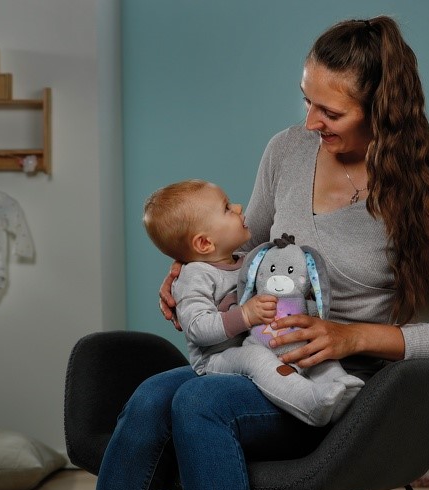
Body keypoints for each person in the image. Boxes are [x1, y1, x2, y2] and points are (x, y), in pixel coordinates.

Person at [90, 15, 429, 490]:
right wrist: (190, 271)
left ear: (383, 111)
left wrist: (350, 336)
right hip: (259, 355)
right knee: (148, 399)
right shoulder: (288, 150)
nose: (311, 123)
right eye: (307, 102)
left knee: (200, 402)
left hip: (335, 387)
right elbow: (245, 245)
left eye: (331, 112)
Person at [141, 180, 364, 426]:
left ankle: (339, 385)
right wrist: (245, 316)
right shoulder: (194, 276)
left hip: (256, 340)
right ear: (205, 243)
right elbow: (197, 328)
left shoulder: (249, 261)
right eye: (227, 208)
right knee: (256, 359)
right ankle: (310, 404)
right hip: (218, 357)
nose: (238, 207)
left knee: (307, 342)